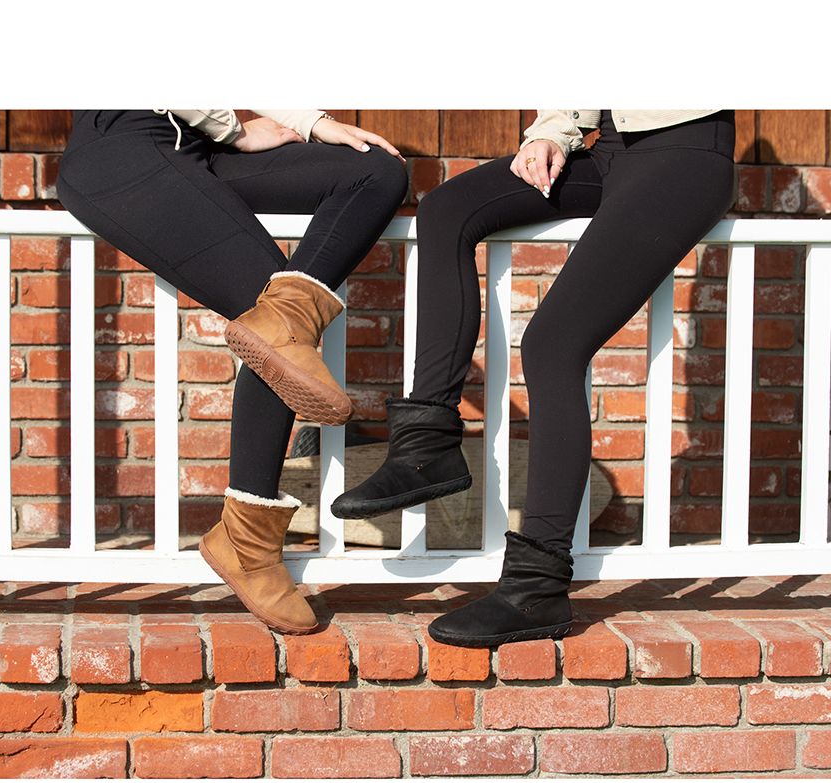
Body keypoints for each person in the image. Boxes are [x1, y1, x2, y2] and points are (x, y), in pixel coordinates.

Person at [332, 109, 736, 647]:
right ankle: (424, 446)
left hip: (684, 155)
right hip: (608, 149)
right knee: (447, 208)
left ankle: (536, 589)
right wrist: (552, 134)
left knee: (552, 345)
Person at [57, 109, 407, 635]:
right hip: (122, 151)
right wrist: (235, 129)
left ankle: (288, 324)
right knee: (270, 315)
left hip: (193, 147)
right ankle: (248, 541)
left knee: (375, 169)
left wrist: (309, 122)